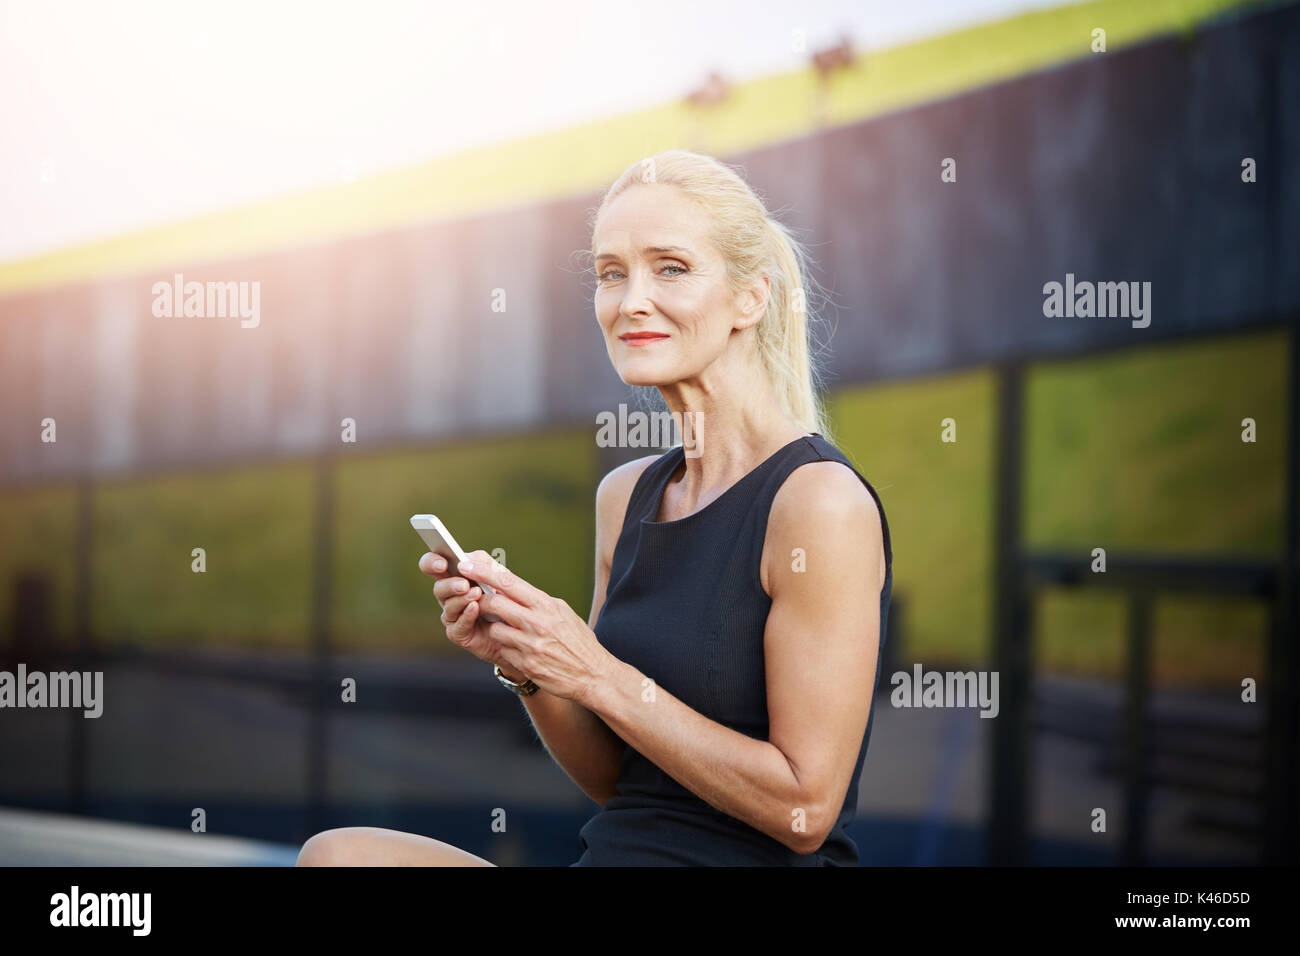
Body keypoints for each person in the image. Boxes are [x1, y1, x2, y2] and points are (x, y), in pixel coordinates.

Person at [296, 149, 892, 866]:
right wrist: (528, 663)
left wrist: (596, 673)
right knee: (342, 857)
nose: (631, 299)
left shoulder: (818, 503)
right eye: (612, 273)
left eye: (670, 267)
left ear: (749, 297)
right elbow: (615, 782)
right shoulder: (626, 498)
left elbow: (805, 811)